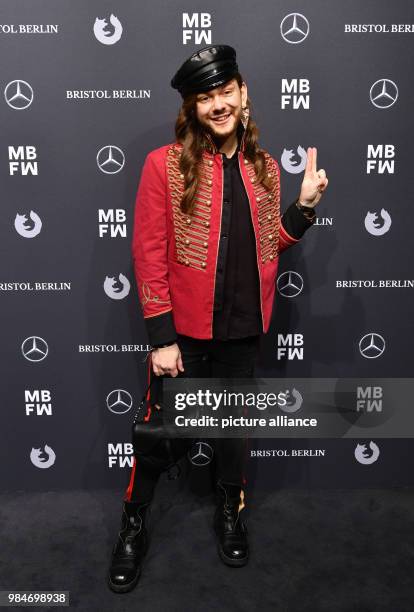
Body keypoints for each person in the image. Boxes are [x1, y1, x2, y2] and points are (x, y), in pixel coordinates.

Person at [107, 44, 328, 593]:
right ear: (193, 108)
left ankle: (231, 510)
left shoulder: (266, 168)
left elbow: (267, 248)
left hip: (243, 328)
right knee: (159, 438)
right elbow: (149, 252)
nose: (219, 104)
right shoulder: (162, 165)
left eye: (226, 91)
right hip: (183, 331)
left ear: (244, 93)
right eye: (206, 98)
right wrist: (161, 336)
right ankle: (133, 524)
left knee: (232, 433)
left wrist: (302, 208)